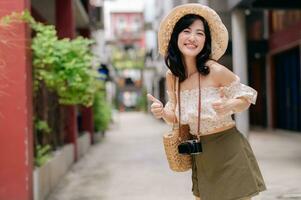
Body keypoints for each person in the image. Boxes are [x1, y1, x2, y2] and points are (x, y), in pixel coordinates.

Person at [147, 3, 266, 200]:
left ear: (206, 40)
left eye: (200, 33)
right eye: (187, 31)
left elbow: (246, 97)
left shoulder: (215, 70)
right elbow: (175, 116)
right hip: (200, 154)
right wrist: (161, 112)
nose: (192, 38)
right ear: (176, 36)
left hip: (229, 149)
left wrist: (230, 105)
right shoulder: (173, 76)